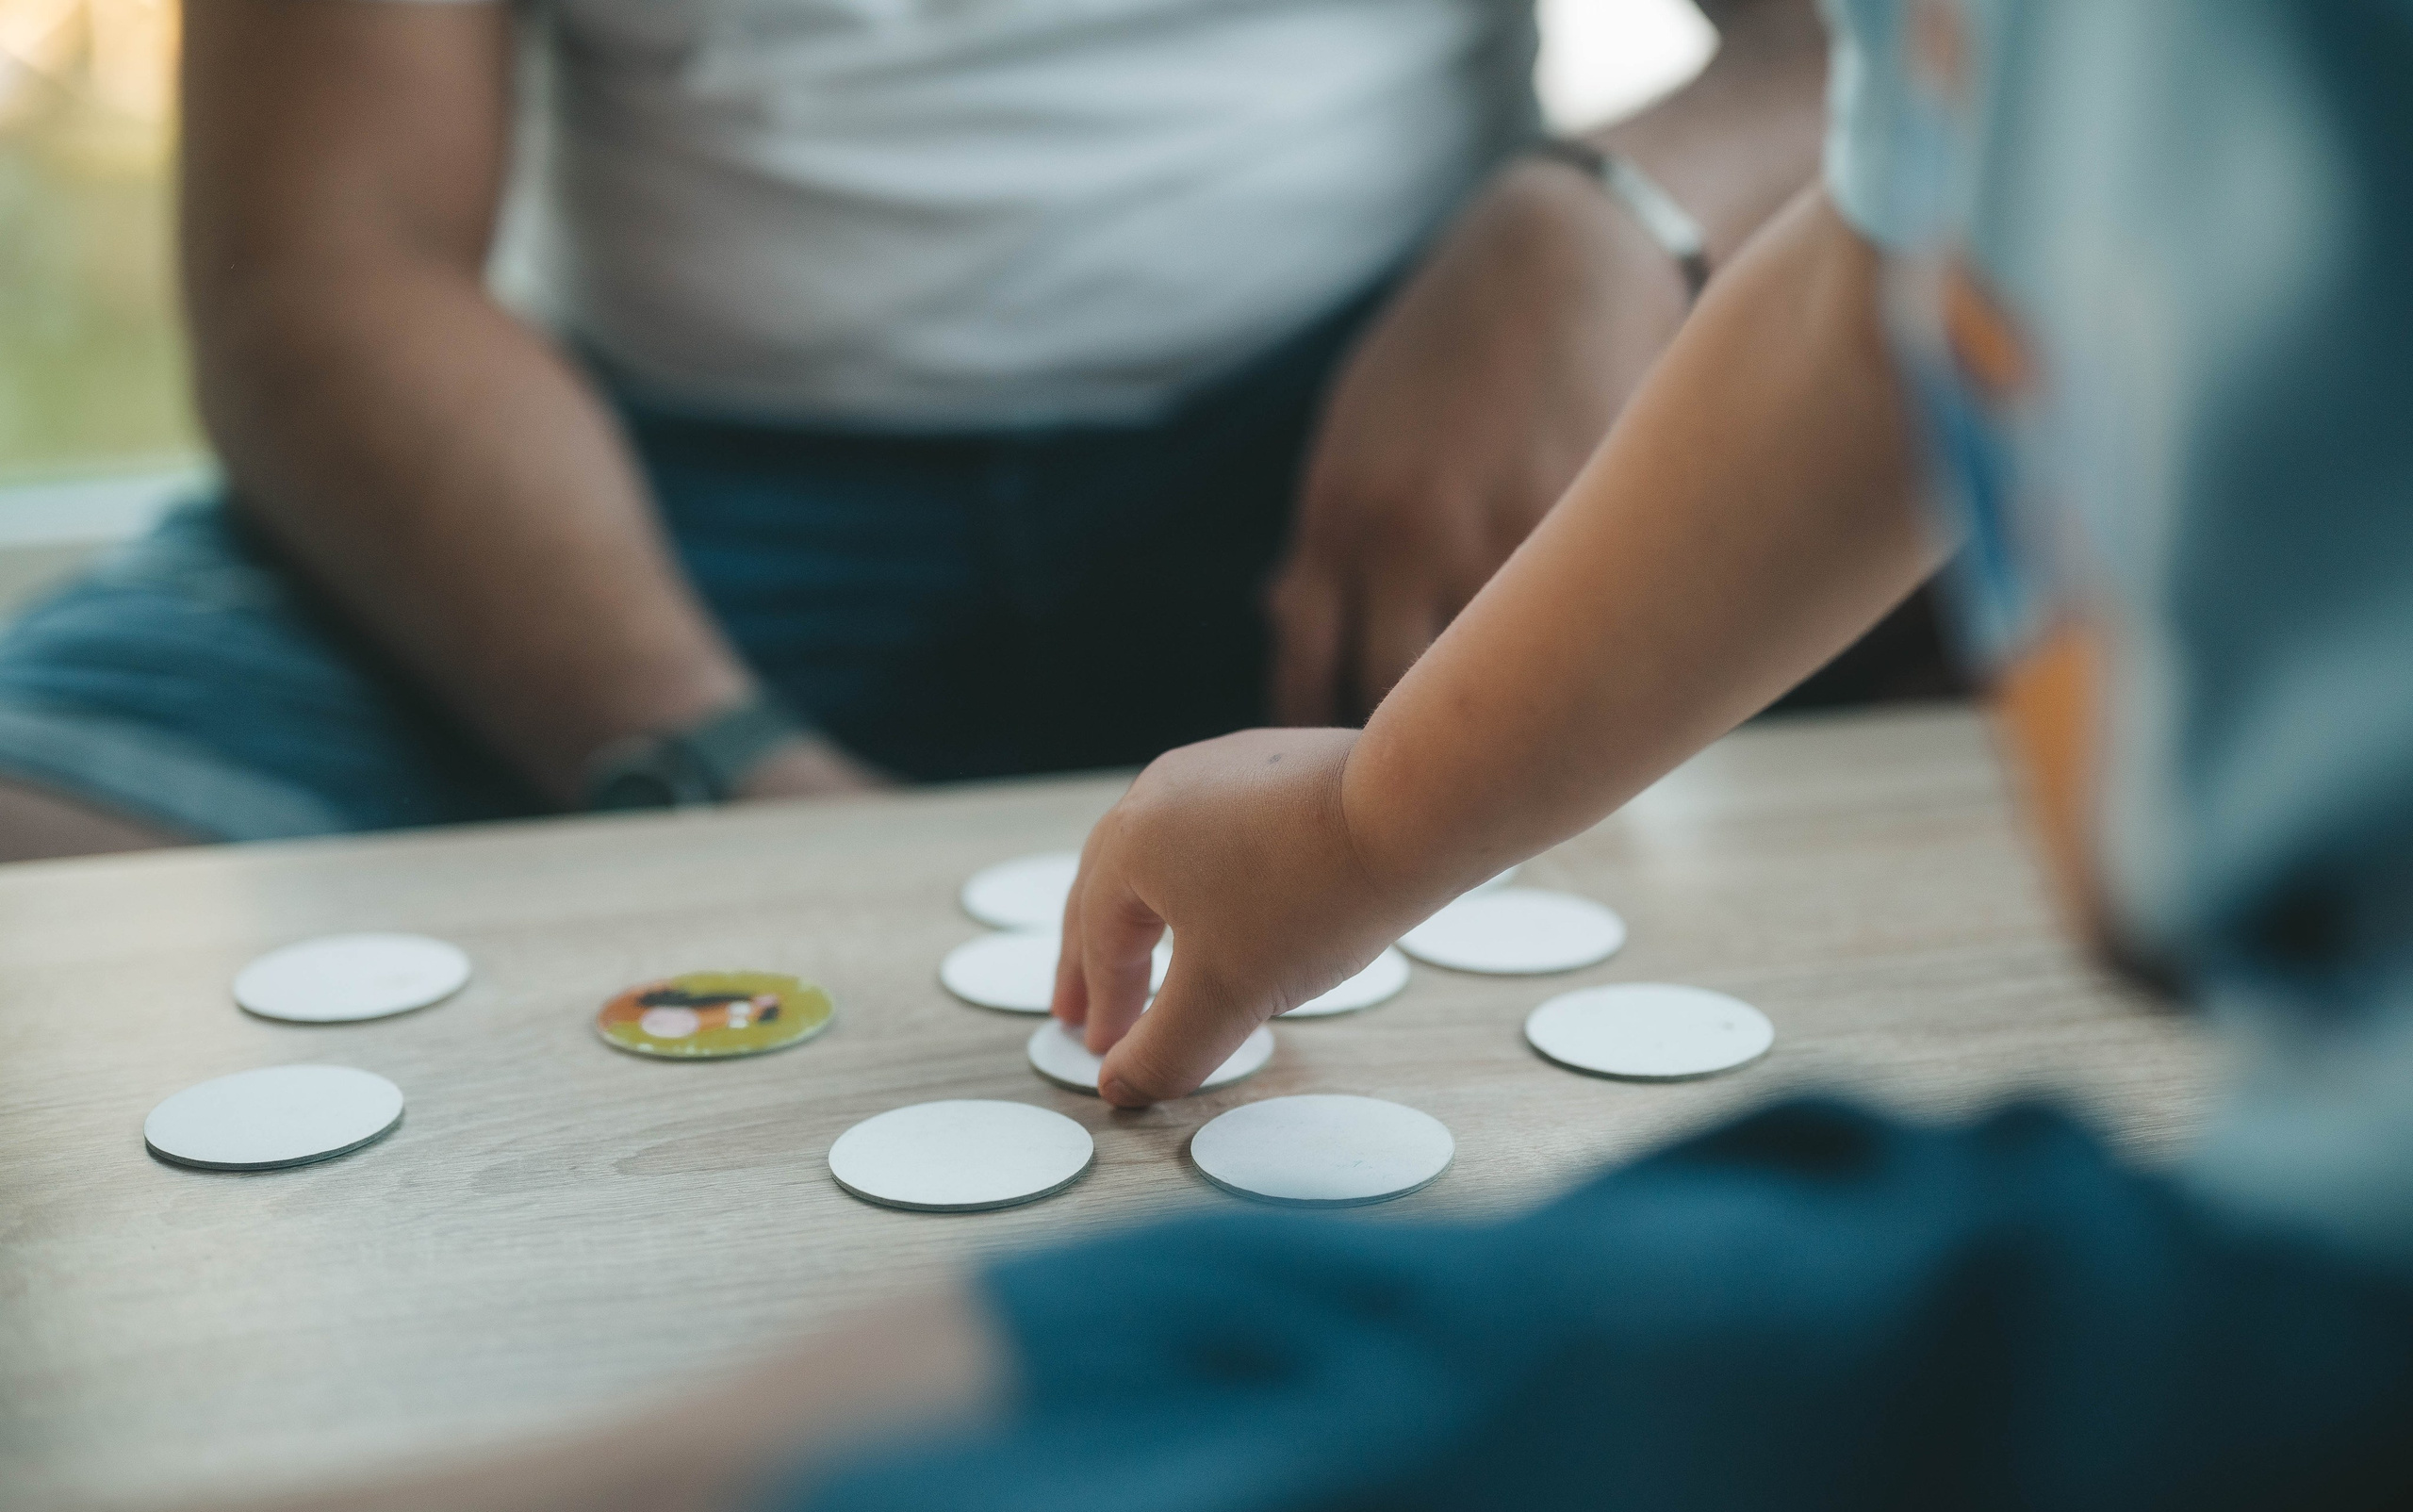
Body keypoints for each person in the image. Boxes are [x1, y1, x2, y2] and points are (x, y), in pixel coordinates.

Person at [19, 1, 2413, 1512]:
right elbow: (1900, 245)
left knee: (1074, 1449)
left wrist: (1607, 211)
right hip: (665, 470)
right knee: (1114, 1343)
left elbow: (1863, 237)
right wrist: (1367, 825)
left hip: (1351, 415)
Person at [0, 0, 1837, 863]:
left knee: (1960, 564)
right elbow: (322, 270)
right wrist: (711, 768)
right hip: (633, 513)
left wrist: (1606, 215)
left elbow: (1894, 50)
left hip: (1370, 459)